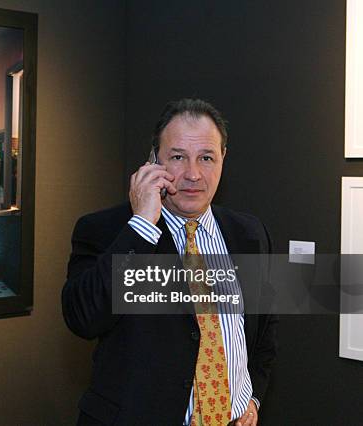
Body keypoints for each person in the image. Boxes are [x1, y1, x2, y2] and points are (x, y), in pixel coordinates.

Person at [62, 98, 277, 426]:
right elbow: (83, 318)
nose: (193, 174)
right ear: (153, 160)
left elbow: (265, 327)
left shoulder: (249, 233)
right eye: (178, 157)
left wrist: (254, 397)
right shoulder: (106, 230)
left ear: (223, 160)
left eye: (206, 157)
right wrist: (142, 226)